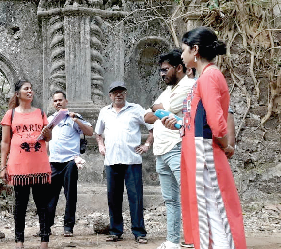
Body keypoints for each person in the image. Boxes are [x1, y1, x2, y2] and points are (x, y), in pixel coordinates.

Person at [163, 26, 246, 249]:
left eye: (184, 50)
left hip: (205, 153)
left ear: (195, 50)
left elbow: (217, 124)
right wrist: (180, 124)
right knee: (208, 209)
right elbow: (201, 121)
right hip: (200, 149)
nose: (181, 55)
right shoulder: (205, 77)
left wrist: (226, 144)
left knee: (214, 210)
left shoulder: (209, 76)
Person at [144, 49, 195, 249]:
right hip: (161, 151)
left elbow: (165, 109)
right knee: (171, 200)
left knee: (190, 195)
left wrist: (158, 108)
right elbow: (146, 117)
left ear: (179, 68)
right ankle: (173, 241)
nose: (162, 74)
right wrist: (159, 109)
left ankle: (195, 240)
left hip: (177, 147)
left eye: (165, 70)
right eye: (160, 71)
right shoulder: (166, 91)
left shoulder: (189, 85)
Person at [95, 81, 153, 244]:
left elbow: (152, 128)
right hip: (112, 161)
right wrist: (101, 145)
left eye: (121, 91)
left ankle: (139, 232)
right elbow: (98, 133)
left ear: (125, 93)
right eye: (115, 92)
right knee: (113, 198)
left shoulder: (136, 109)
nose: (118, 94)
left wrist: (147, 144)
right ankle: (115, 231)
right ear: (110, 95)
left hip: (132, 161)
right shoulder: (104, 112)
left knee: (136, 198)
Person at [0, 80, 52, 249]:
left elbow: (48, 138)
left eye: (31, 88)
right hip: (19, 166)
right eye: (26, 88)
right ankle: (19, 241)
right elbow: (5, 142)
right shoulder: (11, 114)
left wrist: (47, 133)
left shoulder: (41, 113)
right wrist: (3, 166)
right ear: (17, 93)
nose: (30, 91)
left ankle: (44, 241)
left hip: (39, 164)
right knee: (20, 205)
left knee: (42, 205)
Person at [46, 90, 93, 237]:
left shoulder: (74, 117)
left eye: (60, 100)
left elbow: (90, 131)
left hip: (70, 162)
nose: (58, 103)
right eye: (55, 101)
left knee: (70, 194)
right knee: (50, 196)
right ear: (53, 104)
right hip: (53, 162)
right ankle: (46, 226)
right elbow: (45, 141)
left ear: (66, 102)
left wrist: (76, 120)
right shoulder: (50, 120)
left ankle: (68, 227)